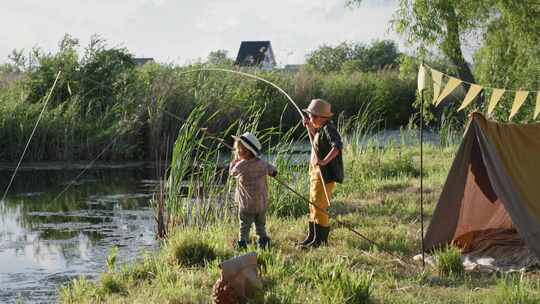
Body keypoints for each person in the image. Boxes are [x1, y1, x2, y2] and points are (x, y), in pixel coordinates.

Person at [299, 98, 344, 248]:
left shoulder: (329, 129)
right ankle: (312, 236)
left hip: (323, 175)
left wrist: (324, 161)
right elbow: (318, 140)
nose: (310, 119)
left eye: (312, 117)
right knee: (312, 205)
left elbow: (337, 146)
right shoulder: (321, 129)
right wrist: (311, 129)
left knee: (320, 207)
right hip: (315, 173)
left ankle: (321, 240)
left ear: (321, 117)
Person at [229, 132, 277, 250]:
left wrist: (234, 162)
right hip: (261, 204)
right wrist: (271, 173)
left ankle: (242, 245)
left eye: (238, 150)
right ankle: (264, 244)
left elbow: (232, 173)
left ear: (245, 152)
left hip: (246, 205)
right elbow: (274, 171)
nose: (236, 152)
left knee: (244, 227)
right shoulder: (262, 164)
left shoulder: (241, 165)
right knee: (260, 226)